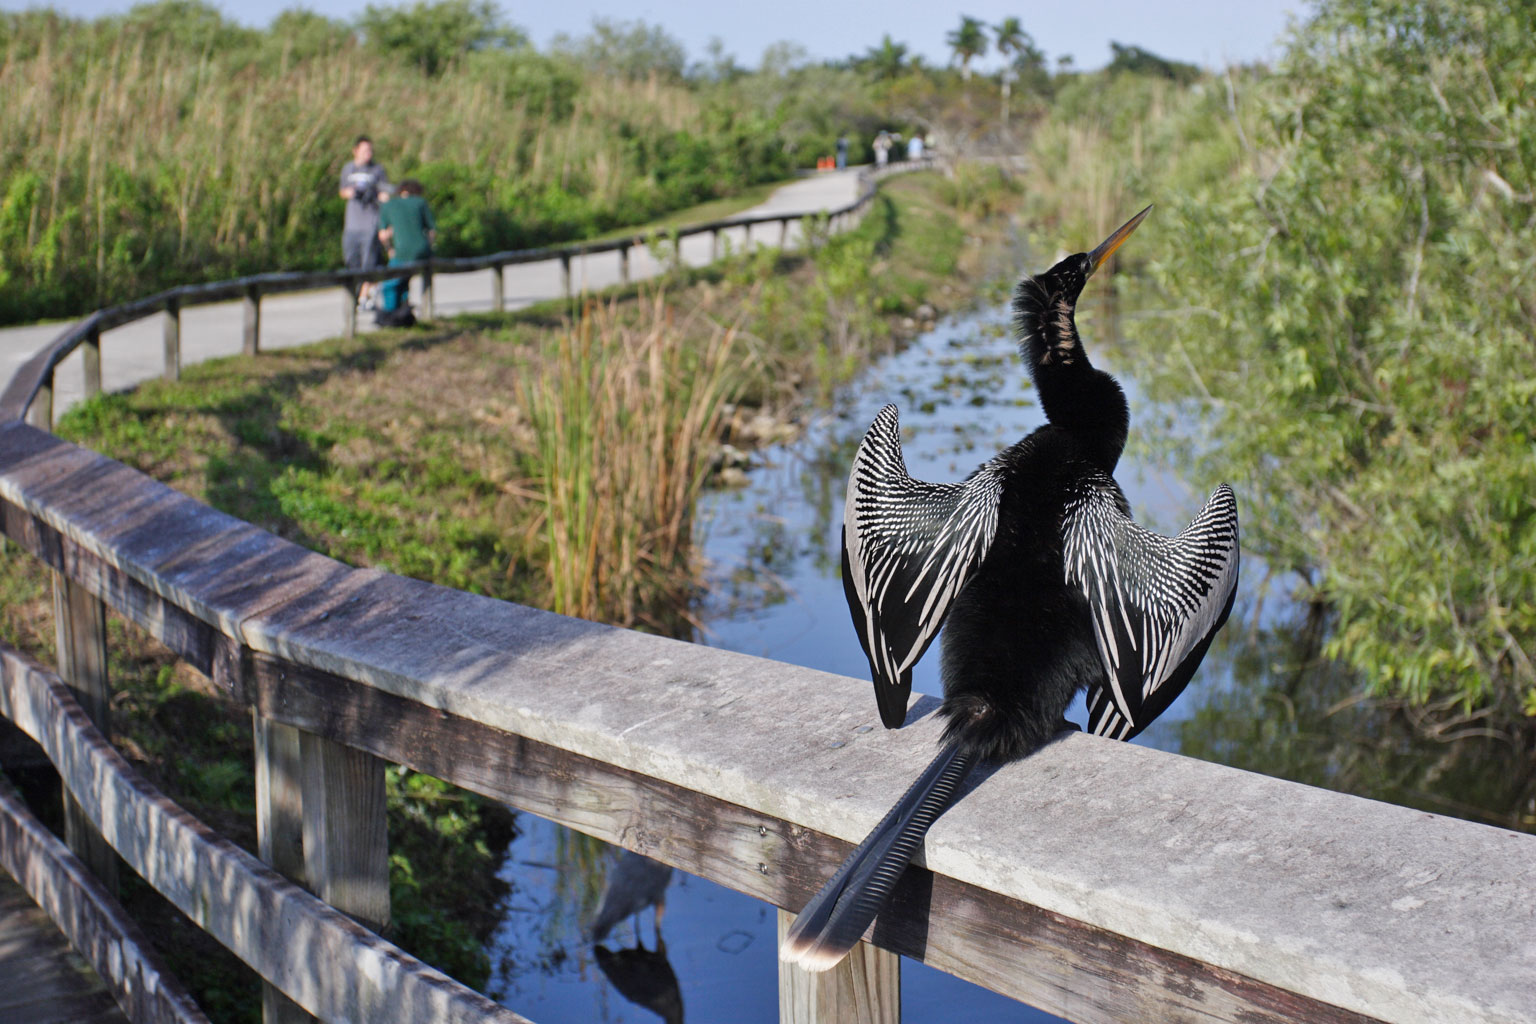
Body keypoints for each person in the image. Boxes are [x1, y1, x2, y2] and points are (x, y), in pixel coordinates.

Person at [339, 135, 391, 310]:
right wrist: (353, 193)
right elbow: (342, 191)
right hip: (352, 224)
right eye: (365, 150)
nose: (369, 153)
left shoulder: (377, 170)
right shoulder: (348, 169)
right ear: (355, 151)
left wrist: (378, 196)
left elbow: (385, 192)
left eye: (370, 150)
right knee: (351, 260)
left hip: (370, 223)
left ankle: (362, 298)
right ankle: (369, 290)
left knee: (368, 263)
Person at [375, 178, 436, 325]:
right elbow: (432, 232)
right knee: (404, 279)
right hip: (423, 251)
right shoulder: (421, 202)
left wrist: (390, 250)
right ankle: (404, 313)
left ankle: (391, 317)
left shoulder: (389, 204)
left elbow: (383, 235)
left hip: (401, 251)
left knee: (390, 284)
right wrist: (428, 248)